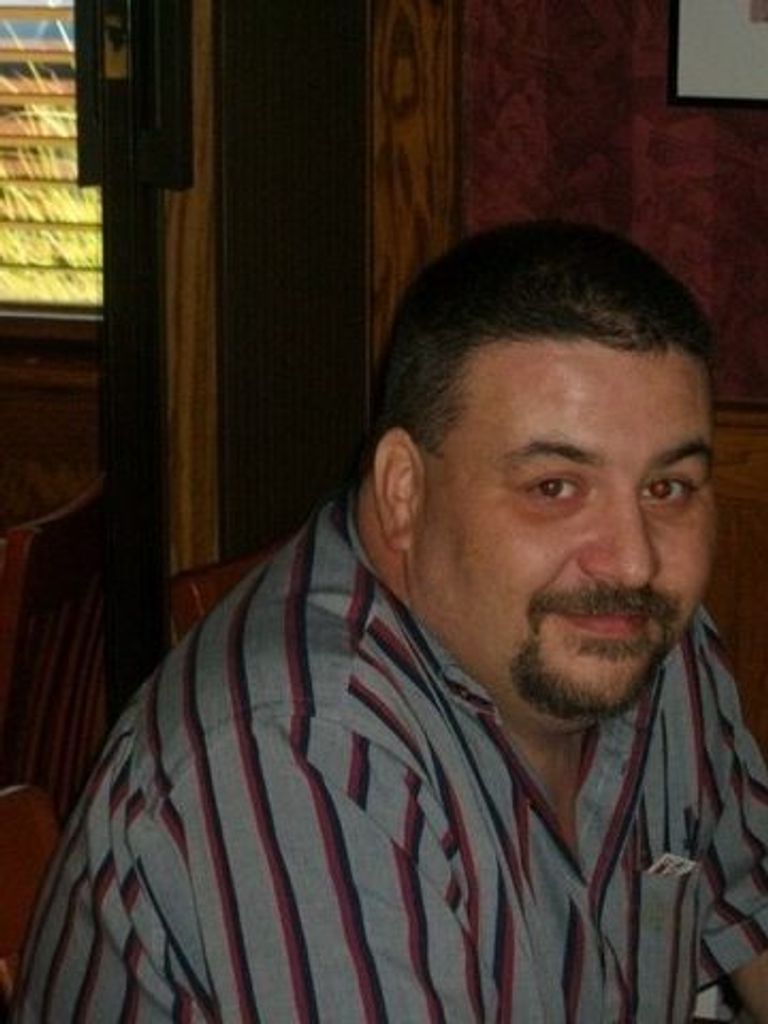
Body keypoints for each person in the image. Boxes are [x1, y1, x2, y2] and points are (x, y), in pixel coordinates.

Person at [12, 221, 768, 1022]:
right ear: (404, 491)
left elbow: (751, 902)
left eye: (666, 489)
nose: (634, 561)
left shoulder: (642, 640)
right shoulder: (304, 750)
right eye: (554, 488)